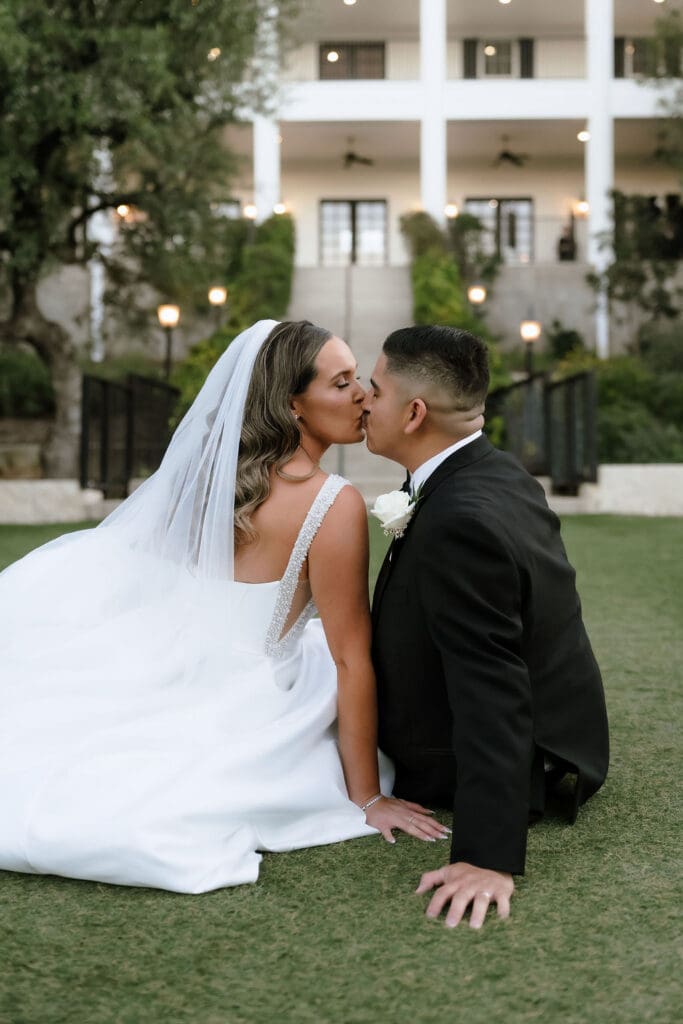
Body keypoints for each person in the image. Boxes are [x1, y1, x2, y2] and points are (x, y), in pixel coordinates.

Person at [0, 319, 445, 894]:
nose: (362, 394)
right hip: (250, 685)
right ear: (293, 407)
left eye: (358, 378)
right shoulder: (332, 504)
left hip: (174, 655)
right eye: (341, 384)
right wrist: (367, 796)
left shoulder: (210, 481)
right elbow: (349, 660)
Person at [363, 324, 609, 929]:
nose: (363, 402)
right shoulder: (494, 471)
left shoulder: (459, 520)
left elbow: (490, 683)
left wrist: (484, 855)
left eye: (373, 389)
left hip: (484, 755)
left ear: (414, 412)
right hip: (552, 726)